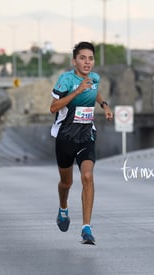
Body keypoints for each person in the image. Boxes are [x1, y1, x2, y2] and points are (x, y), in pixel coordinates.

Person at [49, 41, 113, 245]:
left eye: (90, 58)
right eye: (83, 58)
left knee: (87, 176)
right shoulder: (65, 79)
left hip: (86, 136)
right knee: (66, 183)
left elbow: (95, 92)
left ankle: (86, 228)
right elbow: (53, 107)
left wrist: (104, 105)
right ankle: (63, 207)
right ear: (74, 61)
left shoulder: (94, 78)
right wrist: (76, 91)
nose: (87, 62)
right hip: (65, 137)